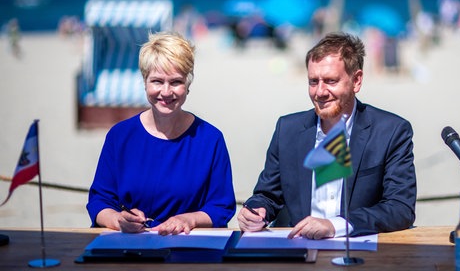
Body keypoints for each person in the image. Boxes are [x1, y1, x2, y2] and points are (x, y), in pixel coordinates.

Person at [237, 32, 416, 239]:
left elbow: (400, 208)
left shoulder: (391, 131)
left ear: (356, 81)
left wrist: (335, 226)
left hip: (361, 252)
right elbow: (267, 195)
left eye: (330, 81)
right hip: (300, 250)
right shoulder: (287, 129)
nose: (320, 92)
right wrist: (256, 211)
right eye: (313, 81)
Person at [86, 31, 236, 235]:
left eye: (175, 82)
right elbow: (99, 201)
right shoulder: (120, 136)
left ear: (188, 84)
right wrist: (118, 220)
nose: (166, 92)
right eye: (157, 81)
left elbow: (221, 207)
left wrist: (188, 219)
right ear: (145, 82)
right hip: (131, 246)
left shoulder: (210, 139)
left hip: (189, 247)